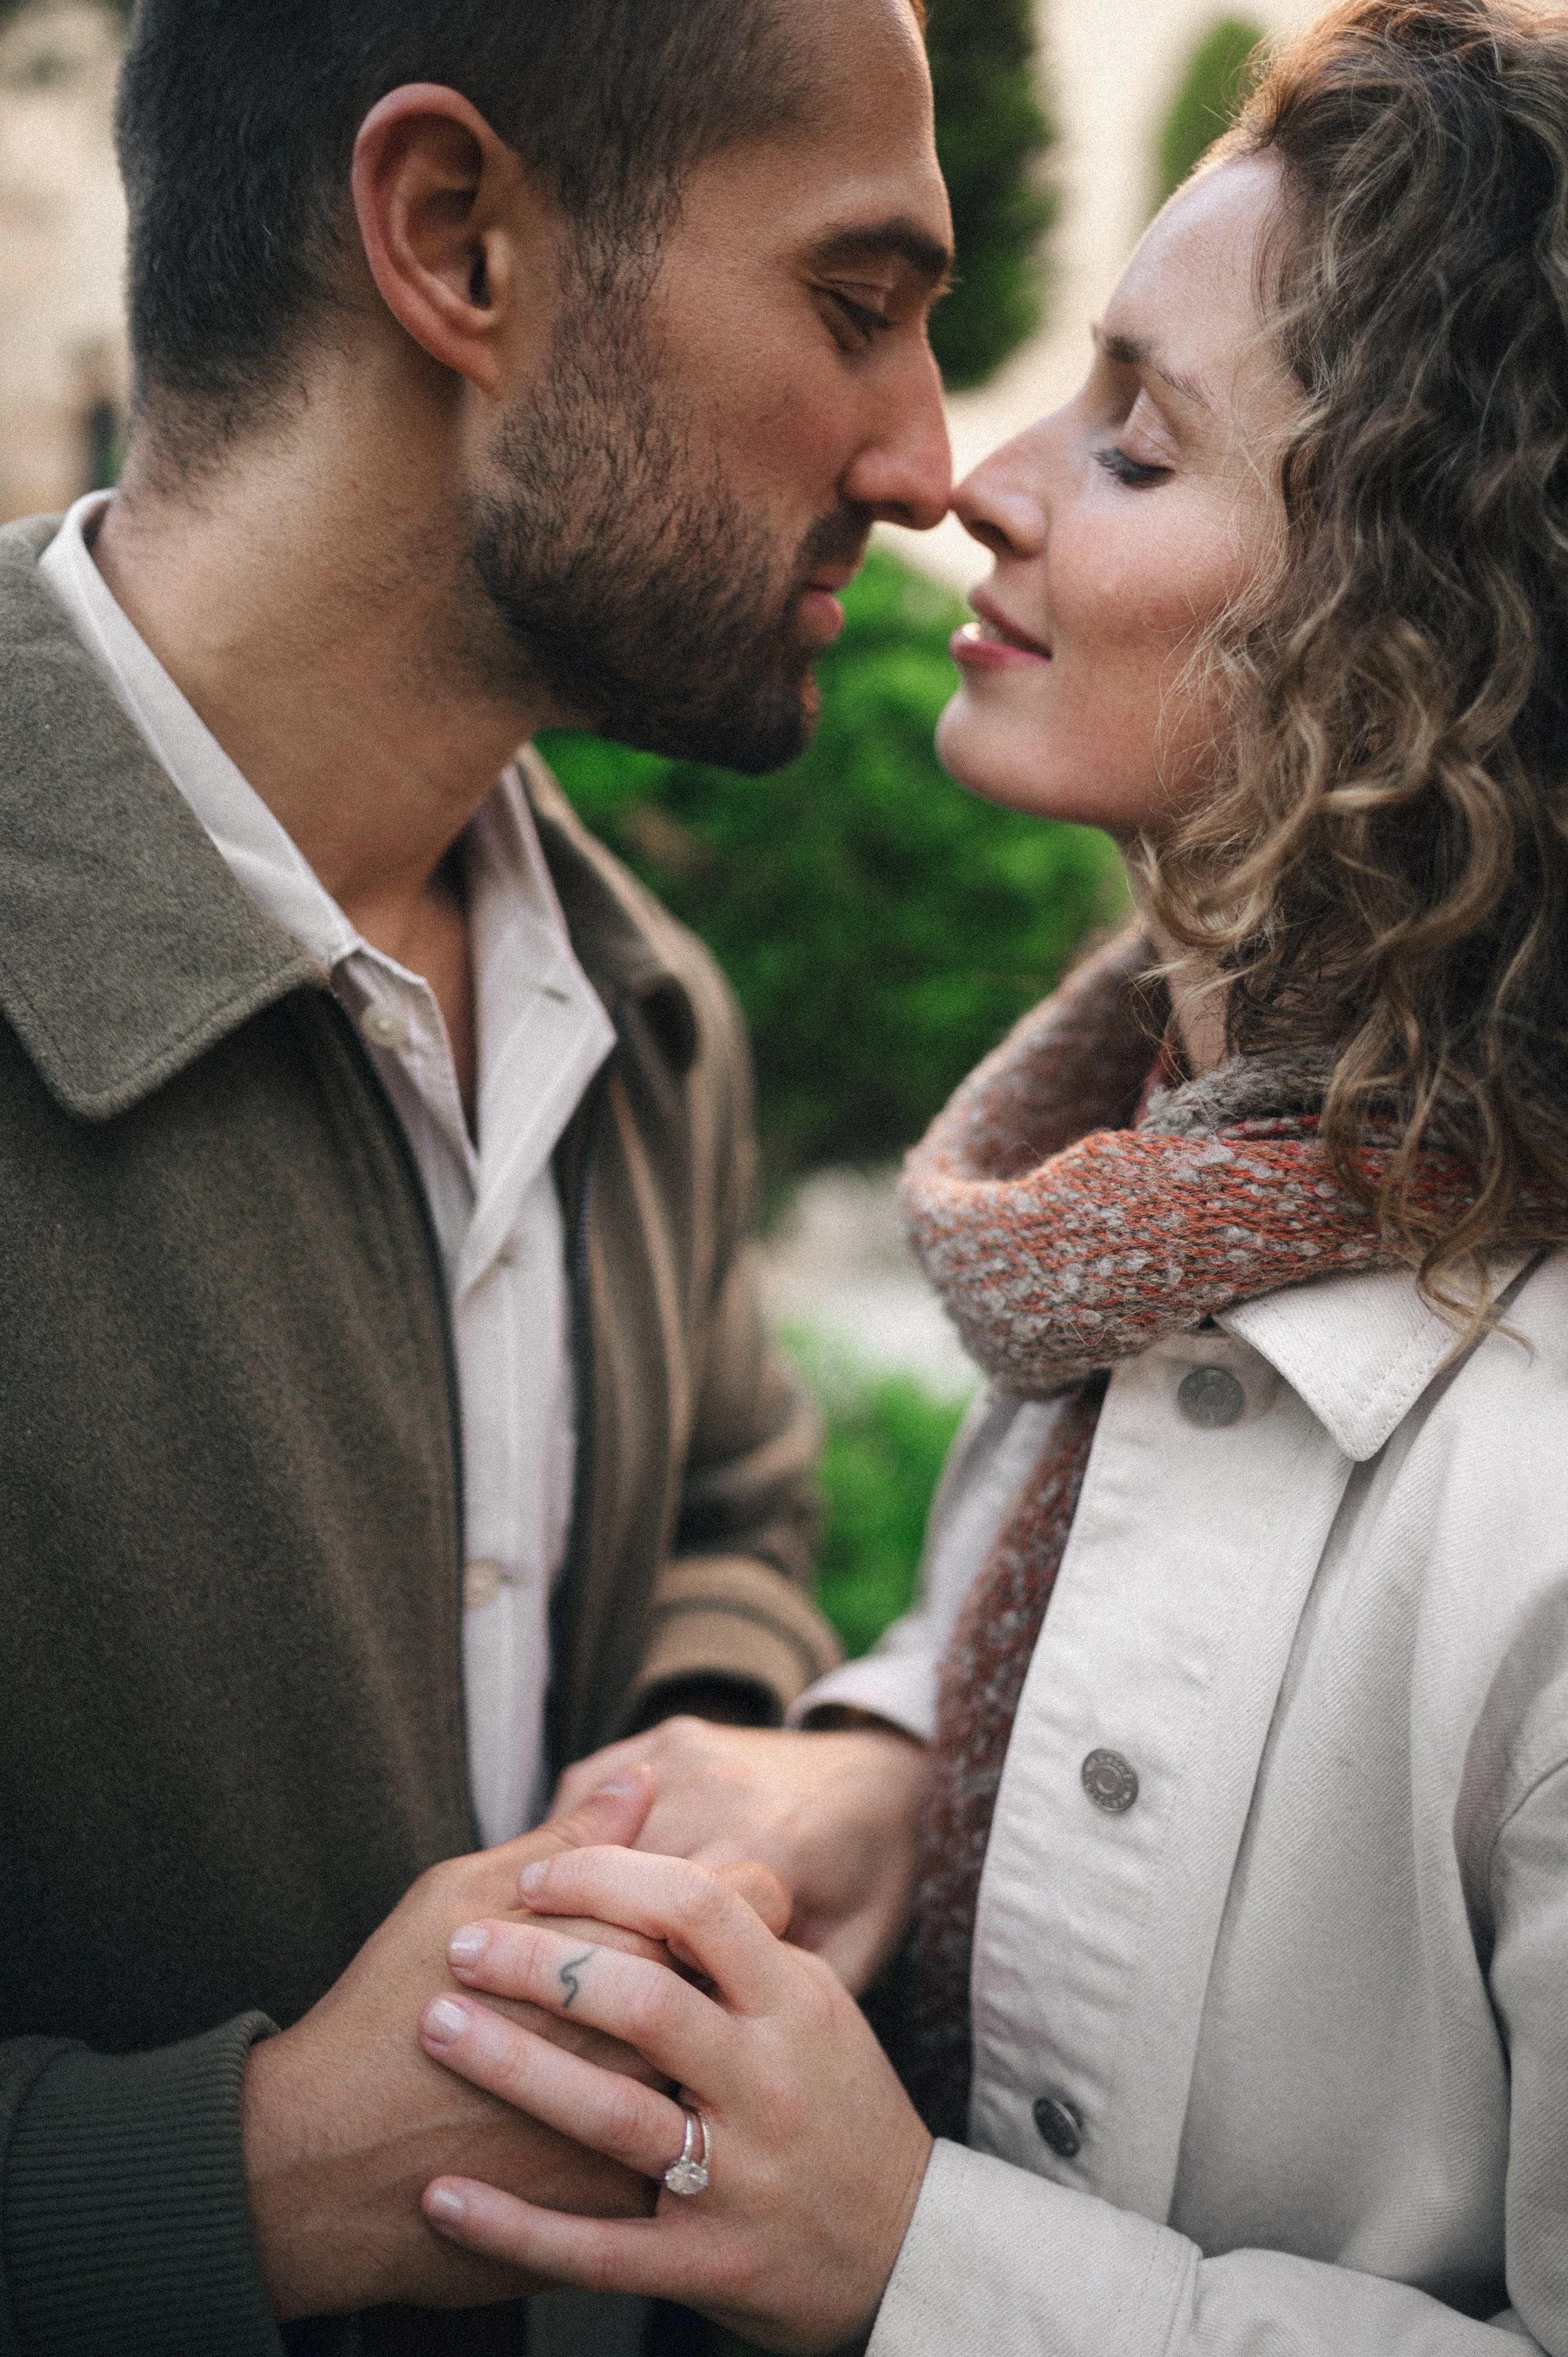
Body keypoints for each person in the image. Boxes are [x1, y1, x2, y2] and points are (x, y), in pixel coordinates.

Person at [407, 3, 1568, 2350]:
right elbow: (1180, 1626)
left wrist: (918, 2265)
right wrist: (881, 1764)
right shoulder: (1160, 1209)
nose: (975, 482)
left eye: (1135, 447)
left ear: (1415, 627)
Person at [0, 0, 953, 2349]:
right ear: (455, 240)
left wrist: (716, 1756)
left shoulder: (647, 1017)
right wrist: (220, 2182)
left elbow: (729, 1503)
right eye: (857, 304)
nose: (930, 459)